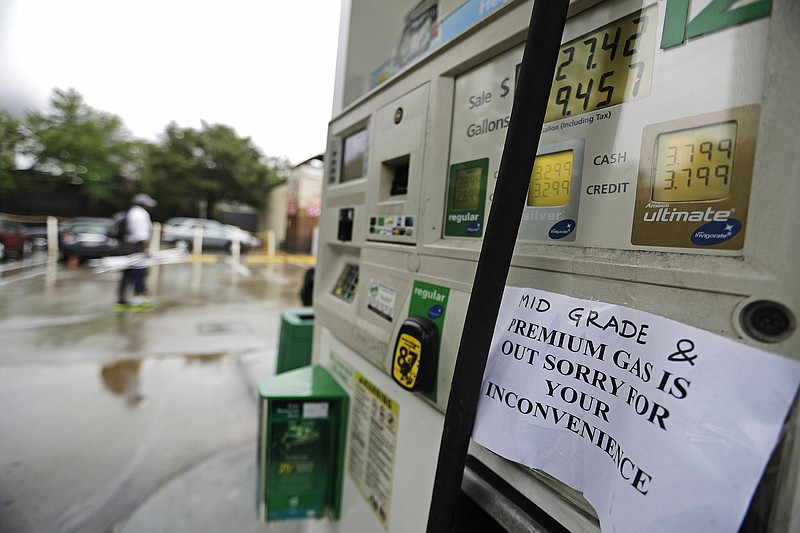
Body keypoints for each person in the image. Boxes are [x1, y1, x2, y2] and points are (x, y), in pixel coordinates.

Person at [116, 193, 157, 311]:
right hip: (136, 247)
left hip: (127, 246)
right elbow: (141, 235)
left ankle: (121, 301)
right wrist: (145, 249)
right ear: (143, 203)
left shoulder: (131, 212)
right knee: (139, 272)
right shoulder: (141, 214)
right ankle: (137, 300)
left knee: (126, 274)